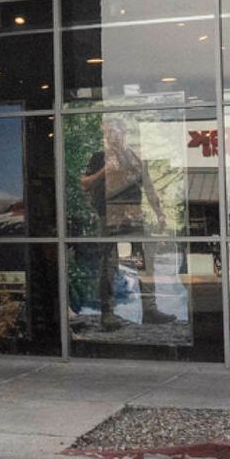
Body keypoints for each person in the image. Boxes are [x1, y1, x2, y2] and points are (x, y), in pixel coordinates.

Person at [79, 120, 175, 331]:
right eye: (108, 132)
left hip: (134, 216)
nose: (111, 136)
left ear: (123, 133)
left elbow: (148, 187)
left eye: (114, 131)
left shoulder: (135, 158)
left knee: (145, 262)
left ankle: (150, 310)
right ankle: (107, 314)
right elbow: (84, 184)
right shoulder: (99, 157)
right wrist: (105, 171)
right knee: (109, 264)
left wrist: (160, 213)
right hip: (109, 216)